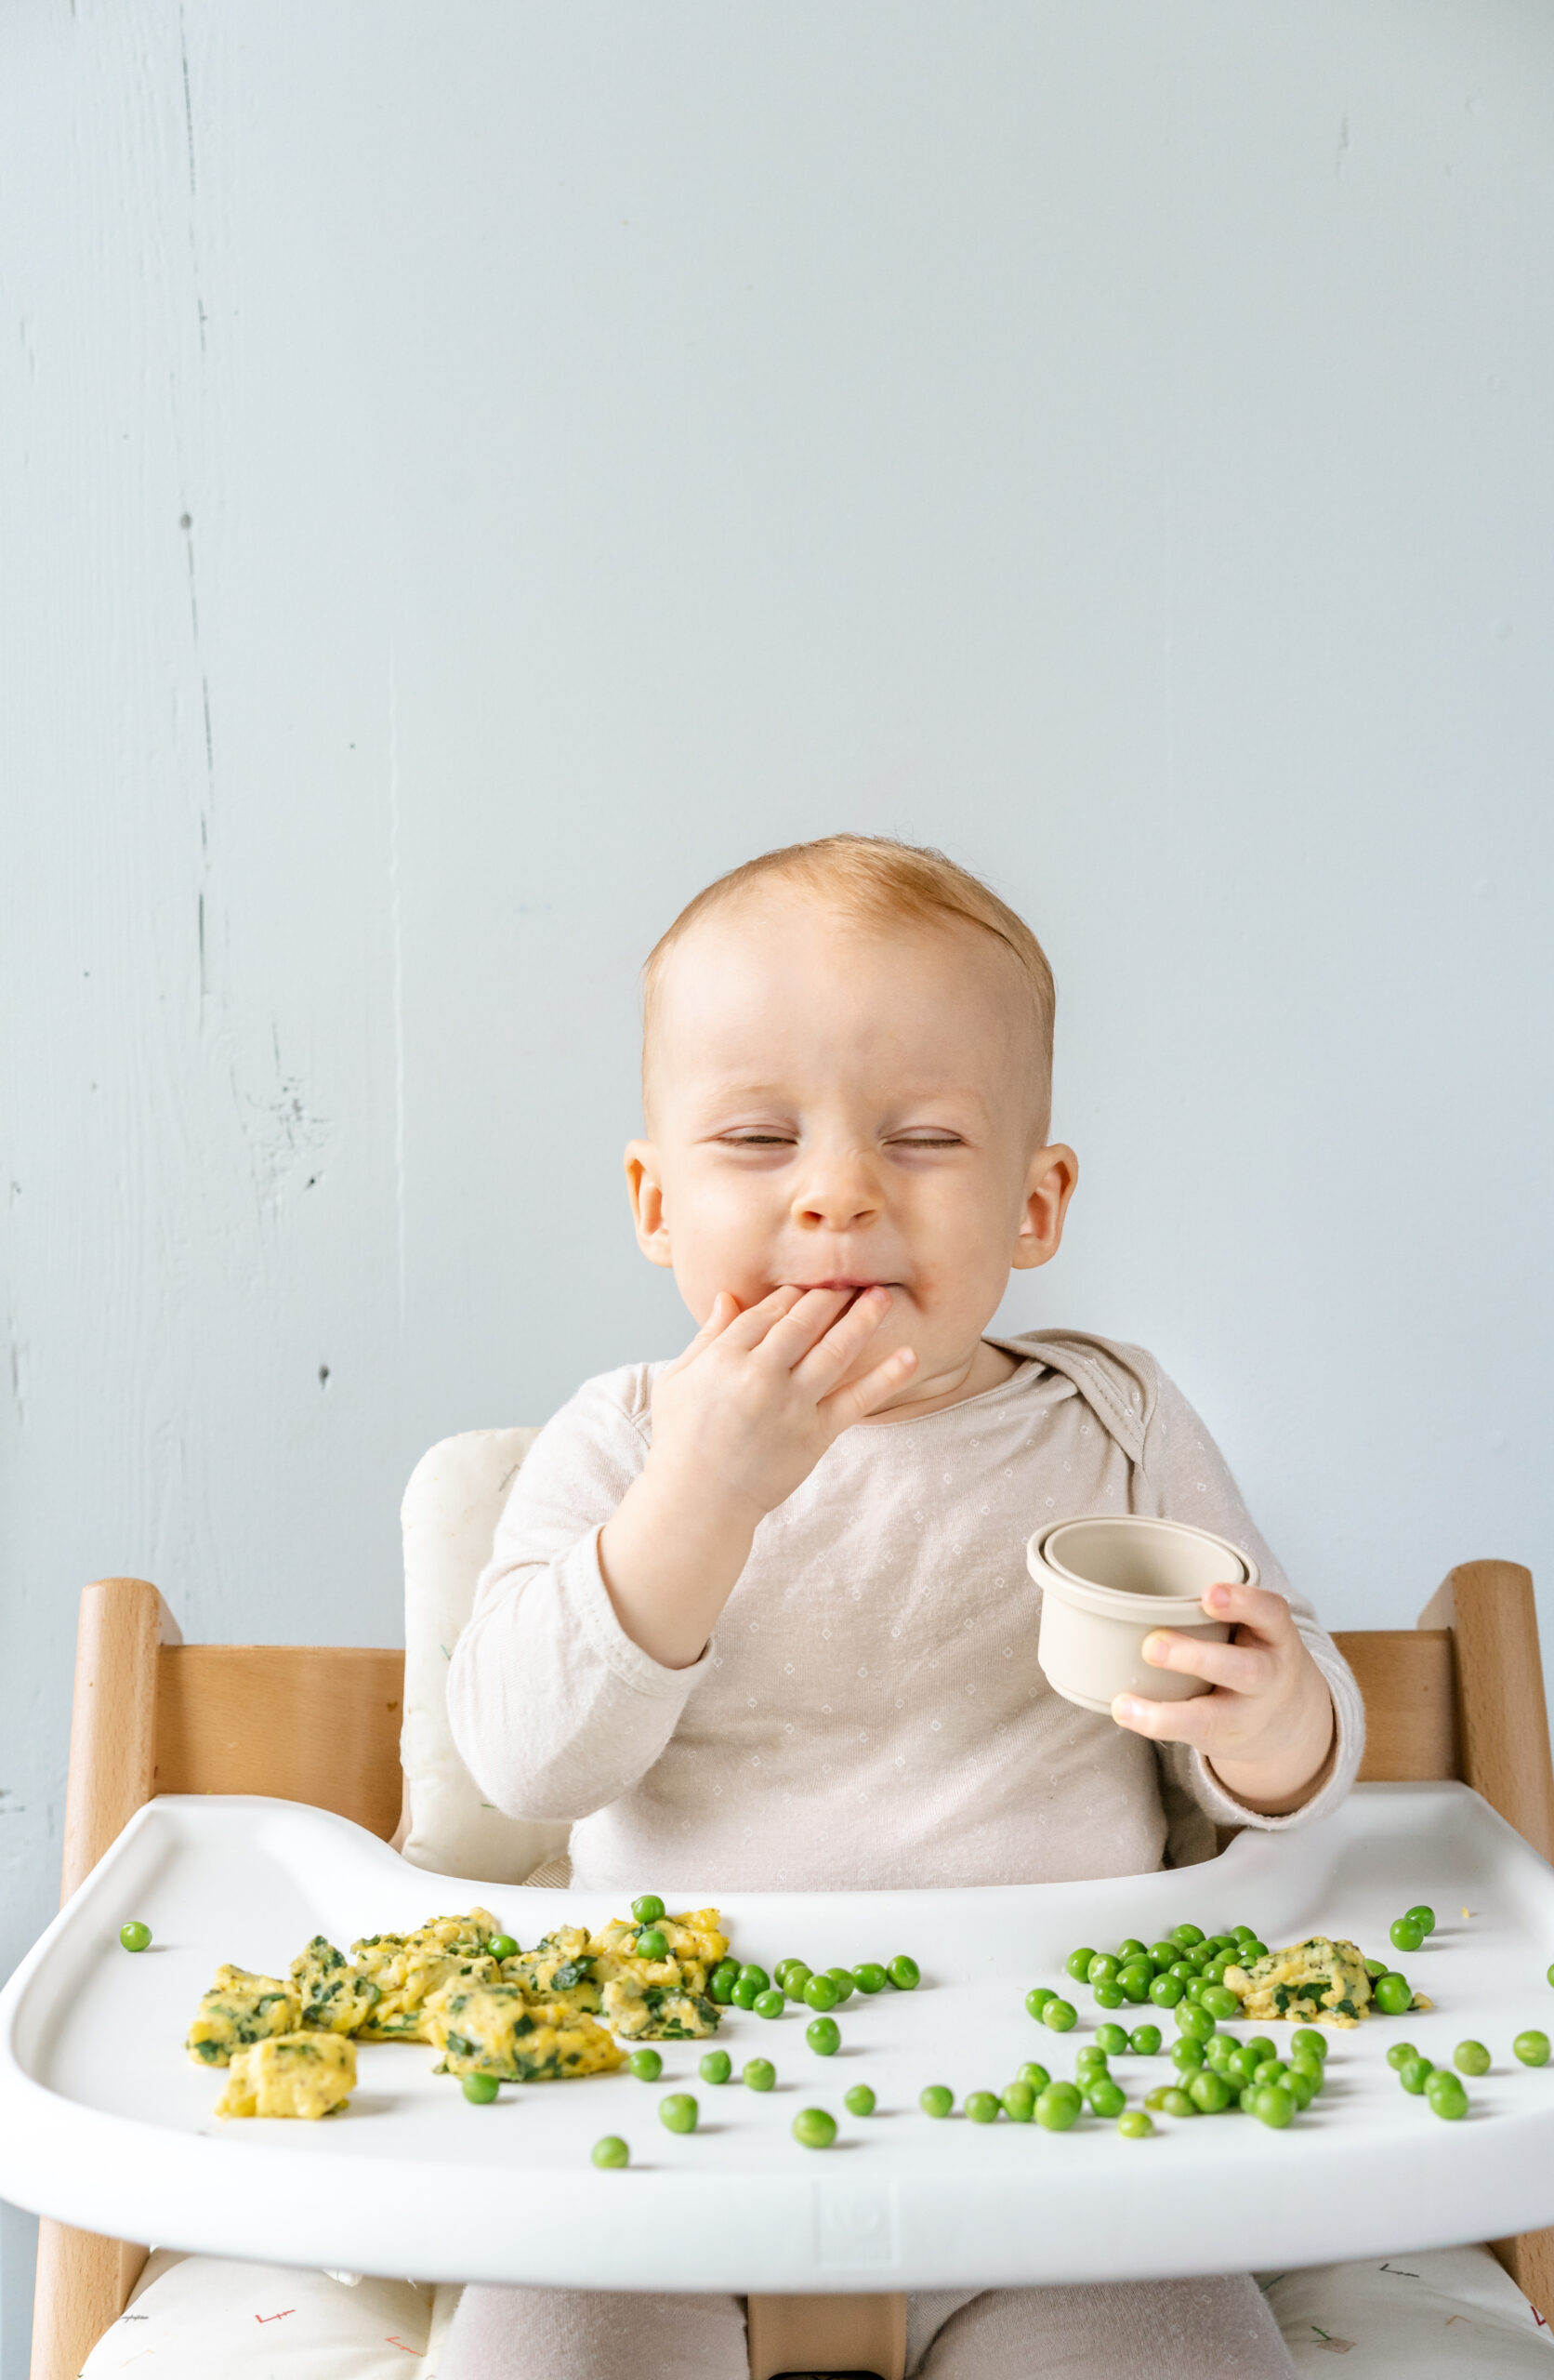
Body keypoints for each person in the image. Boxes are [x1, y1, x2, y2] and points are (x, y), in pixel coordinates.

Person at [441, 833, 1362, 2379]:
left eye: (925, 1141)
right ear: (653, 1200)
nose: (840, 1197)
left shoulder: (1115, 1424)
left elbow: (1268, 1772)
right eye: (755, 1138)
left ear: (1035, 1202)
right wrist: (706, 1494)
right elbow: (529, 1762)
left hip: (1073, 2125)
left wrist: (1274, 1717)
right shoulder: (613, 1445)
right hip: (663, 2142)